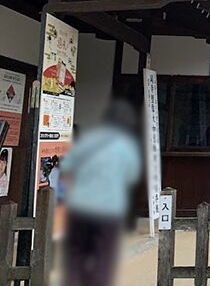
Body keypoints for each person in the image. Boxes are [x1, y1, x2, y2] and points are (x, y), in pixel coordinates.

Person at [61, 98, 142, 286]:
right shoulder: (126, 147)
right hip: (109, 208)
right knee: (104, 256)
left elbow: (67, 166)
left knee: (76, 253)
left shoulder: (89, 140)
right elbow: (131, 175)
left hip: (80, 205)